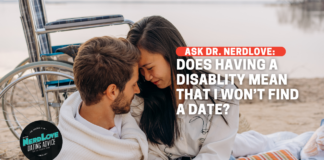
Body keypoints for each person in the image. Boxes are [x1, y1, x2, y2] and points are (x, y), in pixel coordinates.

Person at [127, 16, 240, 160]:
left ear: (172, 53)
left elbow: (215, 153)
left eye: (149, 68)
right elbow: (148, 153)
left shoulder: (222, 93)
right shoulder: (141, 100)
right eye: (141, 71)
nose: (147, 77)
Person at [55, 36, 148, 160]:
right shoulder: (71, 154)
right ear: (112, 91)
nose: (137, 90)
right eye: (133, 84)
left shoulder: (124, 115)